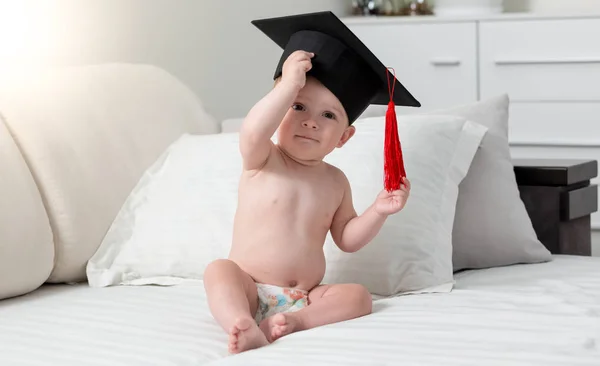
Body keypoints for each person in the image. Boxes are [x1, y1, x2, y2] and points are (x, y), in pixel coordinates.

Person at [203, 11, 420, 354]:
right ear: (279, 108)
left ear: (344, 137)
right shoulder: (262, 159)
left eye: (328, 115)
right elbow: (254, 129)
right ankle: (239, 322)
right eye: (298, 106)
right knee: (218, 271)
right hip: (249, 286)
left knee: (359, 297)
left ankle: (294, 323)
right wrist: (289, 84)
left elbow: (347, 238)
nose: (310, 123)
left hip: (305, 296)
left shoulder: (336, 182)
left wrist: (379, 211)